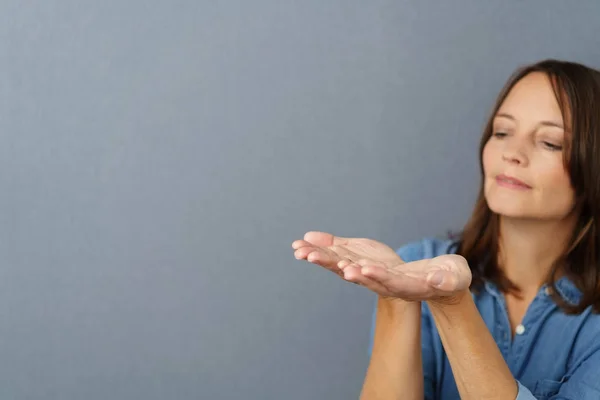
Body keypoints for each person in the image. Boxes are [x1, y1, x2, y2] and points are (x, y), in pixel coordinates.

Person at [291, 59, 600, 400]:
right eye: (502, 132)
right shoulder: (416, 264)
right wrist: (396, 297)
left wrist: (452, 304)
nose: (512, 152)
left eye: (550, 142)